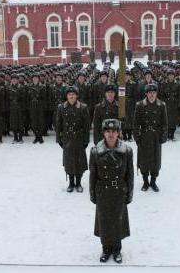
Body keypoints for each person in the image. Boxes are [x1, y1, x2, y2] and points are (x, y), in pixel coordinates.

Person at [89, 119, 134, 264]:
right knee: (104, 220)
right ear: (103, 133)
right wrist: (92, 193)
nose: (111, 134)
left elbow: (130, 174)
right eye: (108, 131)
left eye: (114, 131)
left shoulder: (126, 151)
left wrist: (129, 193)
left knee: (118, 219)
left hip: (119, 191)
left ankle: (117, 249)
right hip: (103, 191)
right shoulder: (96, 151)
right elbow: (93, 175)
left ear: (119, 133)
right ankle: (105, 248)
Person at [133, 83, 168, 192]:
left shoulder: (161, 105)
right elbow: (135, 123)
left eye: (154, 93)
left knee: (155, 160)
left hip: (156, 137)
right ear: (146, 94)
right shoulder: (140, 105)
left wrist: (164, 136)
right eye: (150, 93)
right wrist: (137, 137)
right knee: (143, 160)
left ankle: (153, 181)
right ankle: (145, 182)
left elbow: (164, 123)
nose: (152, 95)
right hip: (144, 136)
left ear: (156, 93)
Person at [56, 86, 91, 193]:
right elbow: (58, 125)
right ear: (66, 96)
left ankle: (79, 183)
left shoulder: (83, 107)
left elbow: (87, 126)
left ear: (77, 96)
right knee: (69, 162)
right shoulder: (61, 107)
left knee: (79, 162)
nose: (71, 96)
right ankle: (71, 183)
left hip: (79, 138)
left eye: (73, 94)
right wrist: (59, 139)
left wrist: (86, 140)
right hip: (67, 139)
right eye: (69, 94)